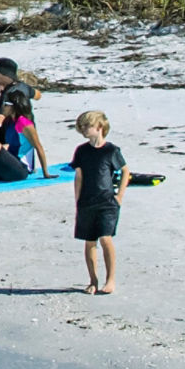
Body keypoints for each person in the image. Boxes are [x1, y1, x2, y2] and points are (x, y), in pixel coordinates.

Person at [72, 110, 129, 294]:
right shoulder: (81, 151)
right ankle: (93, 281)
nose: (84, 130)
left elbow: (125, 171)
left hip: (107, 202)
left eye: (87, 126)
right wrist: (77, 200)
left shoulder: (111, 150)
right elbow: (78, 176)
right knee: (89, 242)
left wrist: (119, 196)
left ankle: (110, 280)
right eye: (81, 127)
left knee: (105, 238)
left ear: (99, 127)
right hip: (86, 202)